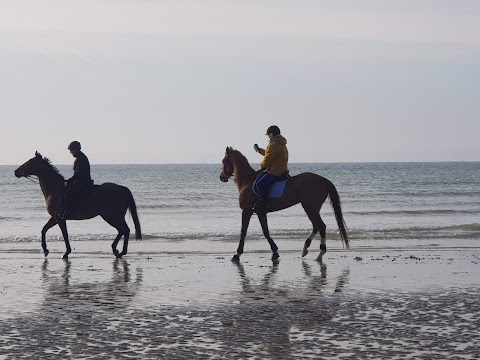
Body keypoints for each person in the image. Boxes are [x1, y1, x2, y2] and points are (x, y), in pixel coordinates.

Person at [253, 125, 289, 212]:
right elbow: (270, 153)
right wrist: (259, 150)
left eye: (268, 135)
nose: (268, 136)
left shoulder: (274, 144)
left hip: (275, 171)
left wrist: (263, 166)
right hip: (281, 168)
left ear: (272, 134)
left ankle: (262, 206)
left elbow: (268, 157)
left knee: (259, 184)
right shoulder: (280, 142)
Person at [63, 141, 93, 218]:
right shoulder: (80, 157)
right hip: (82, 180)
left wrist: (68, 182)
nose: (70, 153)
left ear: (76, 149)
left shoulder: (81, 159)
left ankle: (69, 212)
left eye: (71, 150)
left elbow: (78, 175)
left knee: (68, 192)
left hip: (83, 181)